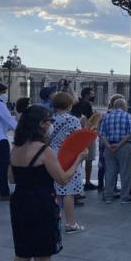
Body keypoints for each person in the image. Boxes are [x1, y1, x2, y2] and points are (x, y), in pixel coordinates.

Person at [8, 105, 85, 261]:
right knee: (42, 256)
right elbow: (63, 178)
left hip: (19, 201)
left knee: (21, 256)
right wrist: (78, 159)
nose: (51, 124)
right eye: (48, 121)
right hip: (41, 202)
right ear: (39, 124)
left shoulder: (16, 147)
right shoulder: (44, 150)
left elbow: (11, 178)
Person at [49, 92, 86, 234]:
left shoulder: (50, 119)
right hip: (67, 155)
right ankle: (70, 224)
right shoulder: (72, 120)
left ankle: (54, 221)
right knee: (68, 191)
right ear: (69, 104)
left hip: (51, 154)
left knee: (56, 191)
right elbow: (78, 139)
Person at [99, 98, 131, 204]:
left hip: (109, 146)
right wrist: (119, 144)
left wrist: (109, 146)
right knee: (125, 172)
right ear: (123, 106)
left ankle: (108, 196)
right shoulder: (127, 116)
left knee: (110, 171)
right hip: (124, 146)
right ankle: (124, 197)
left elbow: (101, 133)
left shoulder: (106, 116)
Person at [71, 87, 98, 191]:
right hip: (86, 135)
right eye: (92, 94)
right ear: (86, 95)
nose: (93, 96)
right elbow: (89, 120)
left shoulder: (78, 103)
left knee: (79, 160)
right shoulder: (86, 105)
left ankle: (77, 180)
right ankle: (86, 181)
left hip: (79, 136)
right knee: (88, 160)